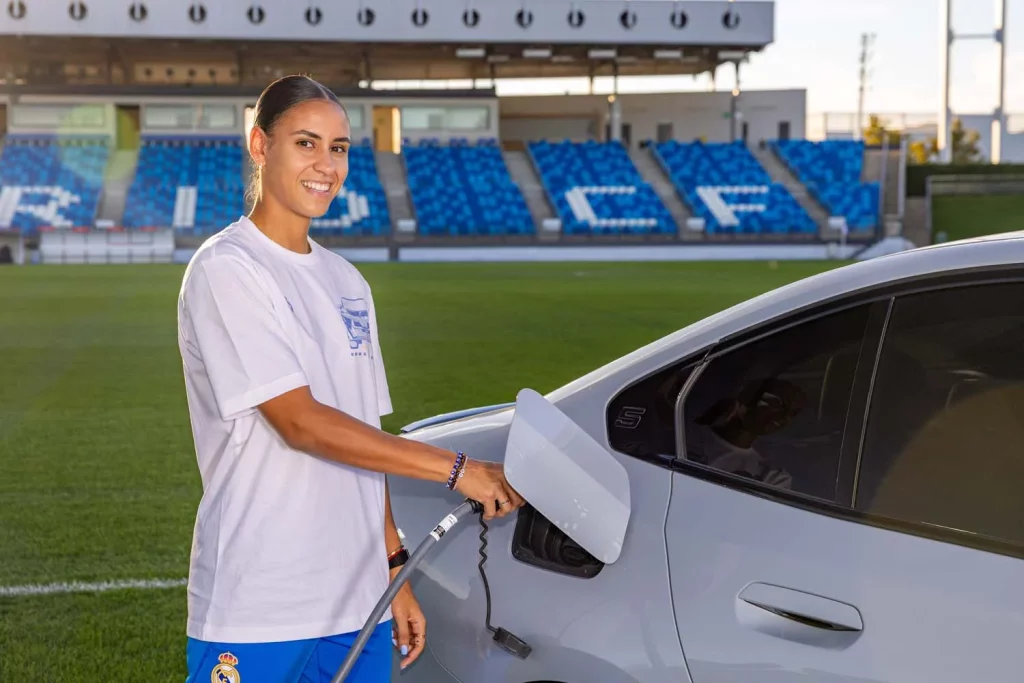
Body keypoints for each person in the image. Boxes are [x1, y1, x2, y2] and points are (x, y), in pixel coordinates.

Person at [176, 74, 525, 683]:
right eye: (306, 143)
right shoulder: (227, 269)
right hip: (259, 604)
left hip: (357, 603)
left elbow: (365, 437)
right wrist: (456, 468)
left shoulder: (348, 283)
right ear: (260, 146)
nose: (326, 165)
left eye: (338, 148)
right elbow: (302, 424)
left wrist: (392, 570)